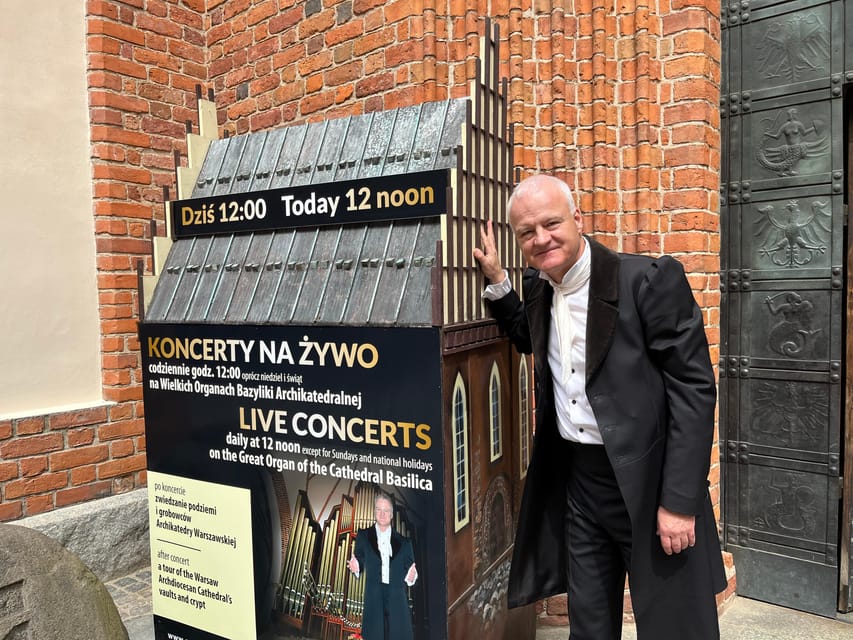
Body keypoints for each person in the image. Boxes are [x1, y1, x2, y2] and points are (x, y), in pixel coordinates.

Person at [473, 174, 726, 639]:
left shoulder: (646, 281)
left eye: (551, 223)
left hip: (649, 484)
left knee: (676, 627)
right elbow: (530, 336)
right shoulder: (539, 288)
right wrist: (498, 282)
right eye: (527, 232)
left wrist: (679, 502)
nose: (541, 238)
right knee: (588, 627)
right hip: (580, 486)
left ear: (578, 219)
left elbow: (694, 388)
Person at [347, 493, 418, 640]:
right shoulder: (364, 535)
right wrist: (357, 566)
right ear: (374, 512)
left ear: (392, 515)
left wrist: (412, 576)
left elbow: (410, 569)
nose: (382, 514)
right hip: (374, 596)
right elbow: (359, 557)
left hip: (396, 597)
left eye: (386, 510)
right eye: (379, 509)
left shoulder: (405, 543)